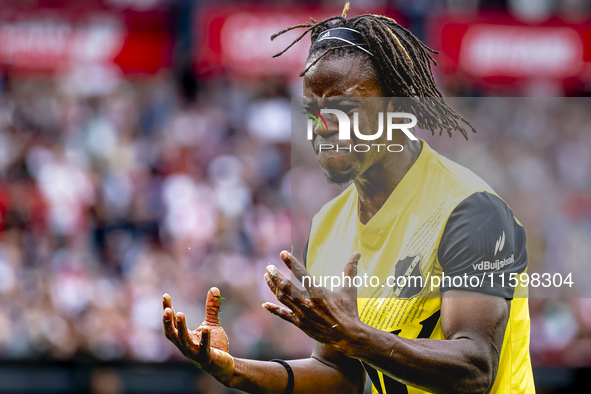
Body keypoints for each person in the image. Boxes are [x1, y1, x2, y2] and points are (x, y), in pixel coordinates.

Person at [162, 4, 535, 393]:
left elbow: (475, 368)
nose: (322, 128)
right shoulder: (328, 225)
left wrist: (357, 337)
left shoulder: (471, 211)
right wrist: (234, 370)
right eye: (313, 111)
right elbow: (339, 373)